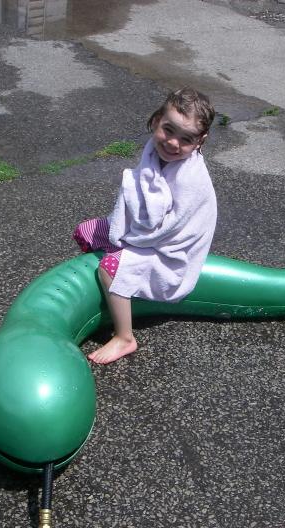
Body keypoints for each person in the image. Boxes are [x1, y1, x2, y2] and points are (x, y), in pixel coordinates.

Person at [73, 87, 218, 364]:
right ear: (156, 120)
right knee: (86, 232)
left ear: (200, 141)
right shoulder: (155, 150)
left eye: (186, 139)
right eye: (168, 130)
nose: (173, 143)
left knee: (109, 268)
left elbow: (171, 229)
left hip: (171, 251)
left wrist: (128, 241)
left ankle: (124, 336)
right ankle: (113, 297)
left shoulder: (189, 178)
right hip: (147, 234)